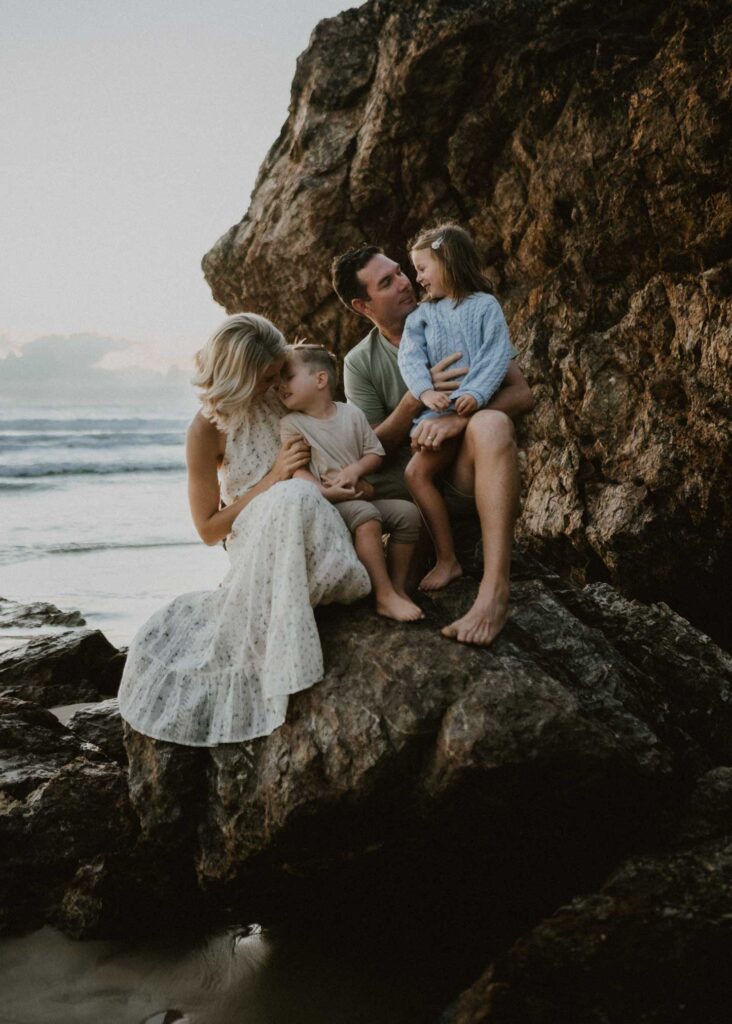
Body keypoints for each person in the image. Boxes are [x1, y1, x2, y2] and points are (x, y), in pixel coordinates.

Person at [118, 313, 371, 747]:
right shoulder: (205, 431)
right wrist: (273, 479)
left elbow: (342, 438)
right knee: (289, 497)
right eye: (268, 376)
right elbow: (209, 530)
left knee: (301, 497)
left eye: (280, 372)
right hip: (258, 538)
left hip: (317, 519)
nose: (277, 383)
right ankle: (282, 666)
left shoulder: (289, 396)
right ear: (238, 376)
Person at [332, 243, 534, 647]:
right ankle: (431, 564)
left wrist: (457, 418)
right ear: (362, 305)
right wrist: (414, 399)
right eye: (386, 283)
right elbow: (371, 446)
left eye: (401, 272)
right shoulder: (360, 362)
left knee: (491, 422)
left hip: (463, 475)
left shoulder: (458, 313)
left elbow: (522, 393)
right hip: (411, 492)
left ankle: (495, 590)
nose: (405, 283)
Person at [398, 224, 514, 591]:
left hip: (473, 411)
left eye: (422, 268)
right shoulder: (421, 315)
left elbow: (494, 356)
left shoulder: (485, 306)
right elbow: (410, 357)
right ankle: (447, 559)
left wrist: (477, 395)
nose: (418, 279)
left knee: (432, 465)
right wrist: (425, 392)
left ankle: (480, 552)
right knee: (416, 473)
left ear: (446, 262)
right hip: (437, 411)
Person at [279, 343, 424, 622]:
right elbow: (297, 470)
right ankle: (383, 595)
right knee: (367, 516)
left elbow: (375, 453)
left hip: (357, 494)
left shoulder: (351, 414)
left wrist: (356, 470)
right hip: (326, 503)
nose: (280, 386)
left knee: (409, 514)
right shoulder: (291, 424)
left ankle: (398, 588)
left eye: (289, 377)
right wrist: (324, 492)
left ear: (320, 380)